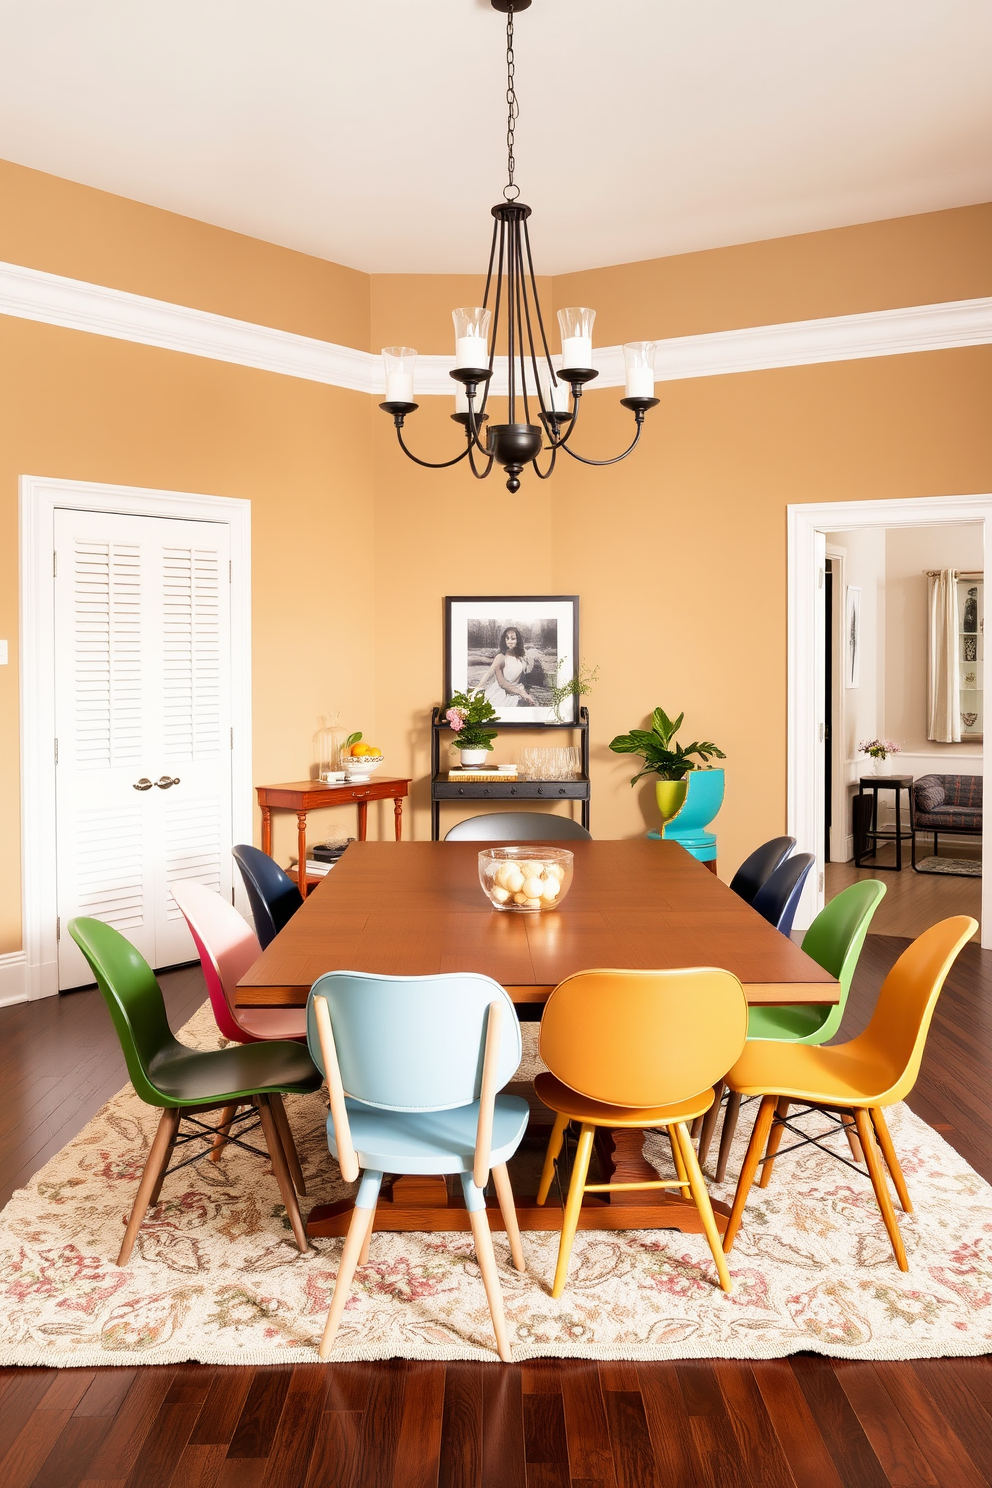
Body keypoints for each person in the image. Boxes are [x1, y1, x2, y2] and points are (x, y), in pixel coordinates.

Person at [476, 626, 538, 708]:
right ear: (504, 640)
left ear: (518, 640)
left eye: (513, 639)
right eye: (507, 638)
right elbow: (498, 680)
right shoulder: (501, 657)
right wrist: (477, 688)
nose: (509, 641)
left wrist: (523, 693)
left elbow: (520, 678)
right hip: (500, 693)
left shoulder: (520, 658)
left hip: (515, 690)